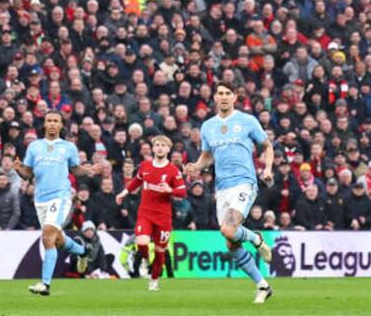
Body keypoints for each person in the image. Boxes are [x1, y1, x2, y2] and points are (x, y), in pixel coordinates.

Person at [184, 81, 275, 303]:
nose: (223, 97)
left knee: (228, 229)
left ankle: (256, 238)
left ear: (235, 97)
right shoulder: (208, 126)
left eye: (228, 93)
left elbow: (267, 146)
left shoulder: (247, 121)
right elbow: (207, 156)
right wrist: (196, 166)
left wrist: (268, 169)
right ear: (214, 98)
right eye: (220, 93)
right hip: (222, 187)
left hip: (244, 182)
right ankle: (262, 286)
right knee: (230, 241)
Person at [14, 111, 98, 297]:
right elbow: (28, 174)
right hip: (40, 199)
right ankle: (83, 251)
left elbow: (75, 170)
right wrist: (20, 171)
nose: (52, 124)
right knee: (56, 239)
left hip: (60, 196)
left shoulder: (68, 147)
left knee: (47, 237)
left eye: (56, 121)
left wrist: (89, 170)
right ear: (44, 124)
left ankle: (45, 284)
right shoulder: (34, 147)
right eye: (49, 121)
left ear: (61, 125)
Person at [116, 134, 185, 291]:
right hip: (145, 214)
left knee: (160, 252)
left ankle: (154, 280)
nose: (160, 147)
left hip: (163, 217)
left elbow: (182, 192)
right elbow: (137, 181)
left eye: (163, 145)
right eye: (157, 145)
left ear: (168, 149)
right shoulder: (145, 166)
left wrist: (170, 190)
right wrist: (123, 193)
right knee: (142, 243)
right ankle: (145, 261)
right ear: (153, 148)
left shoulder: (173, 170)